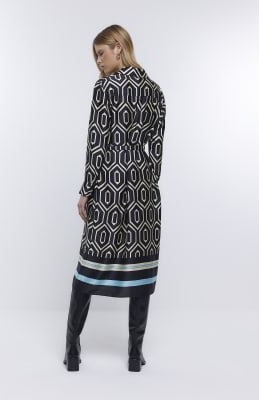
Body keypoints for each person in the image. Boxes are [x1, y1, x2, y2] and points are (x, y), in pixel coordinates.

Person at [63, 24, 166, 372]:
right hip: (144, 190)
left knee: (88, 266)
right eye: (96, 55)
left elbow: (97, 142)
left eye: (101, 52)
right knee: (141, 267)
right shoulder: (155, 90)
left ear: (119, 47)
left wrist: (87, 189)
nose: (98, 61)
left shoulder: (105, 87)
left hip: (109, 182)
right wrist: (148, 182)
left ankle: (72, 349)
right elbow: (157, 148)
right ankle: (135, 355)